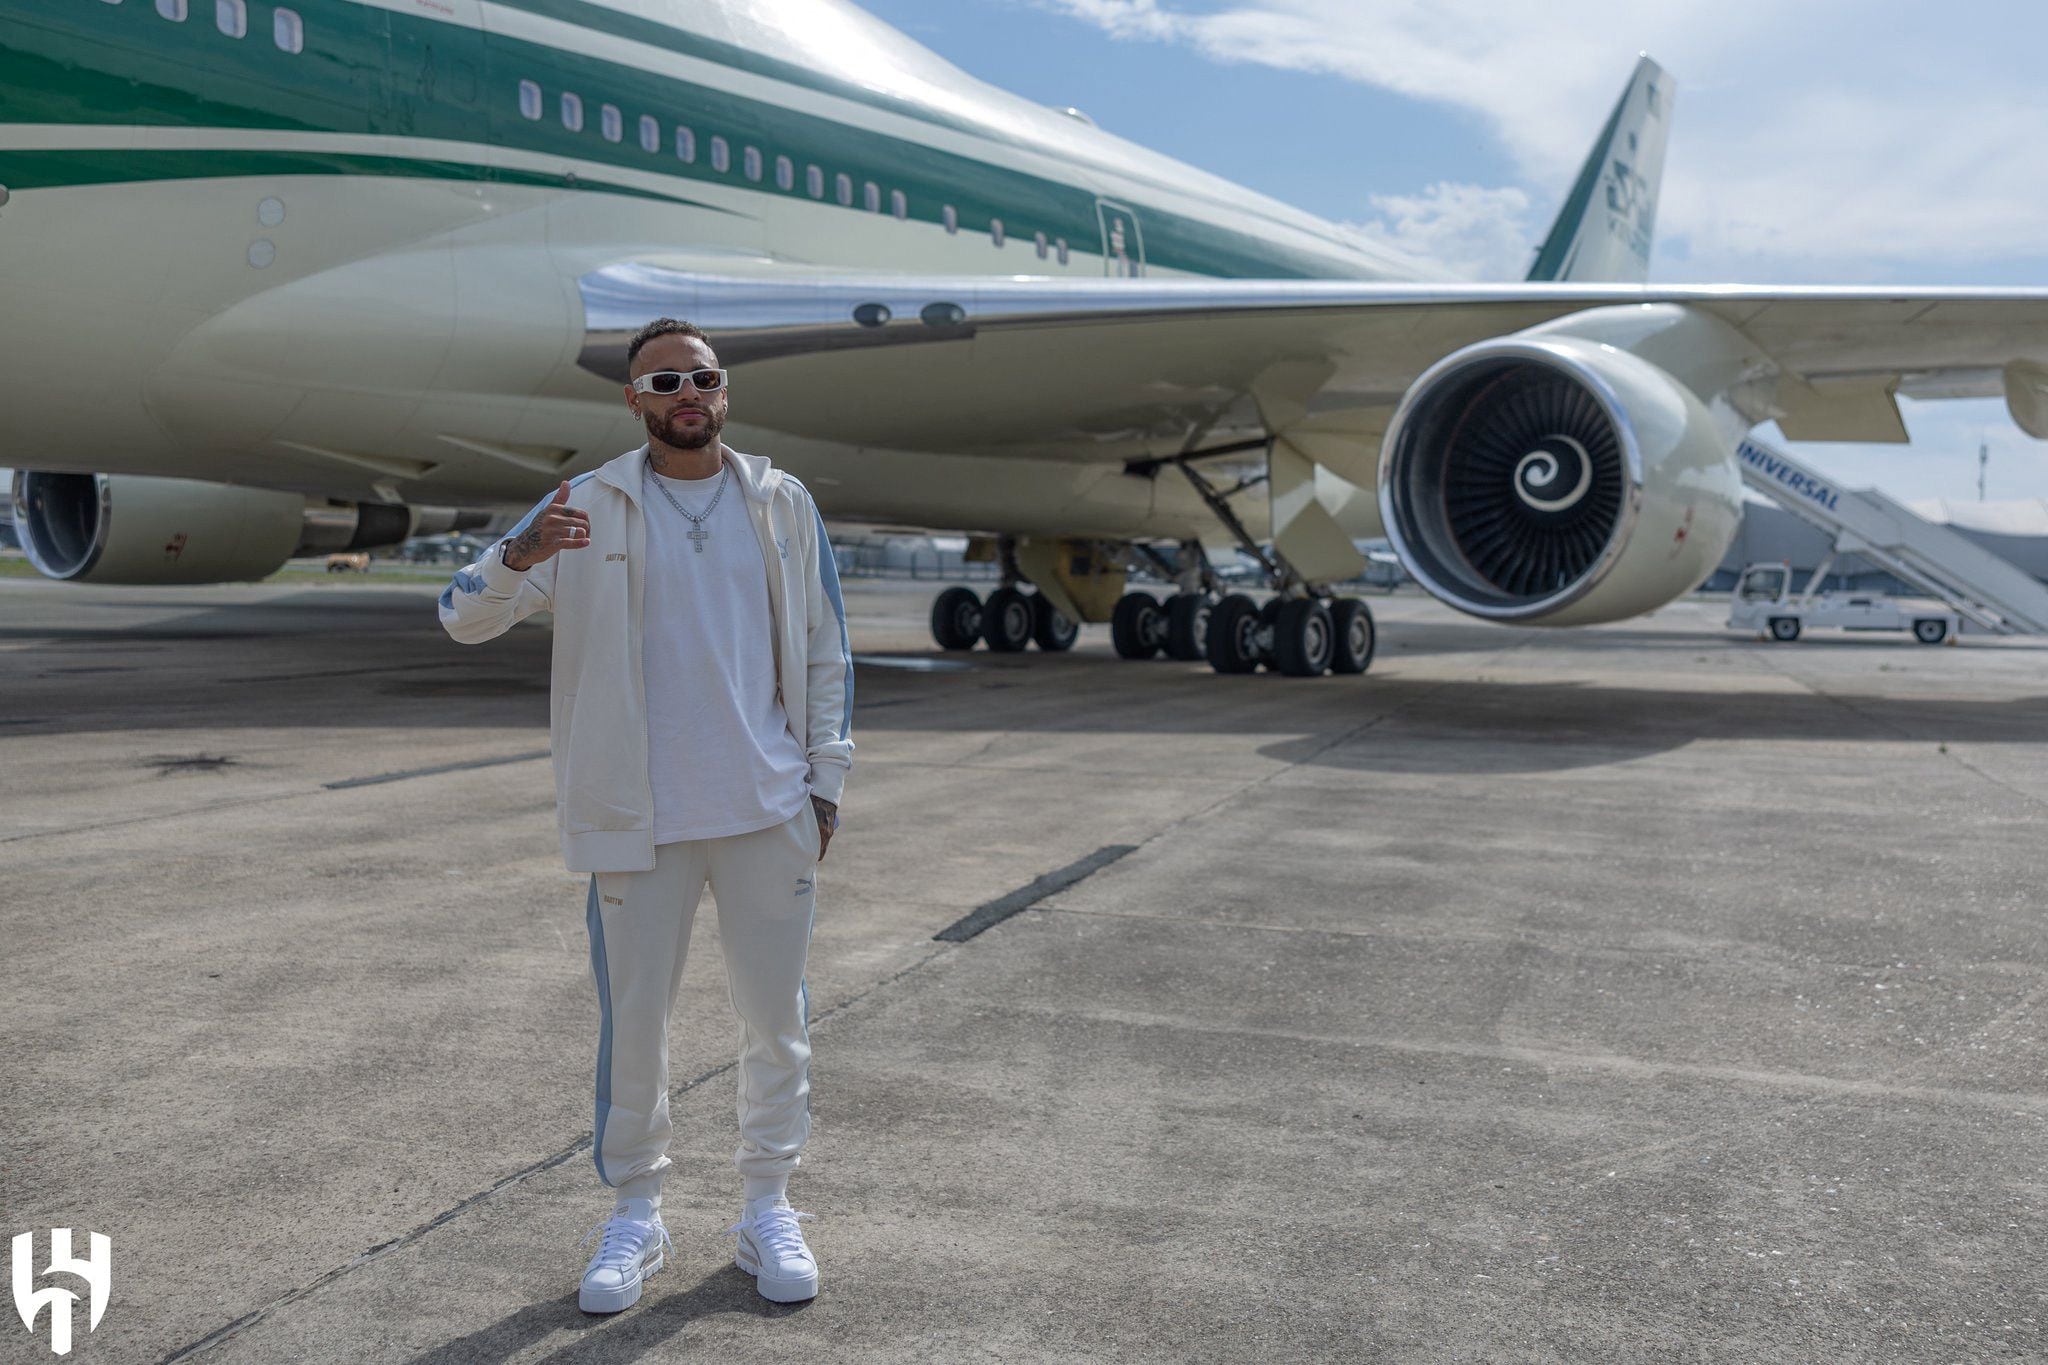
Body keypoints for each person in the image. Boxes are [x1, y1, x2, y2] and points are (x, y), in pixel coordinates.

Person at [438, 317, 854, 1312]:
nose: (686, 393)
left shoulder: (781, 502)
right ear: (633, 400)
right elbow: (462, 617)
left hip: (766, 811)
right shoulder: (585, 505)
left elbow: (824, 648)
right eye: (663, 381)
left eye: (701, 377)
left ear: (723, 390)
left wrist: (825, 783)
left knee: (776, 1022)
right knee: (635, 1029)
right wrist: (517, 553)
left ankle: (766, 1207)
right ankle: (636, 1214)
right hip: (637, 820)